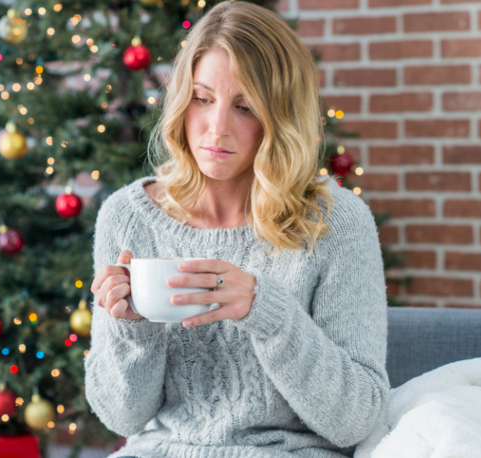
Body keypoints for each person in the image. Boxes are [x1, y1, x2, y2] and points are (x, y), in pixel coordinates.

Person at [85, 1, 390, 458]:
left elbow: (356, 420)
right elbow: (120, 417)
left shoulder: (335, 223)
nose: (217, 128)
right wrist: (131, 330)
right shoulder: (126, 218)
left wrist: (270, 315)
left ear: (279, 119)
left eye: (245, 107)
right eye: (203, 99)